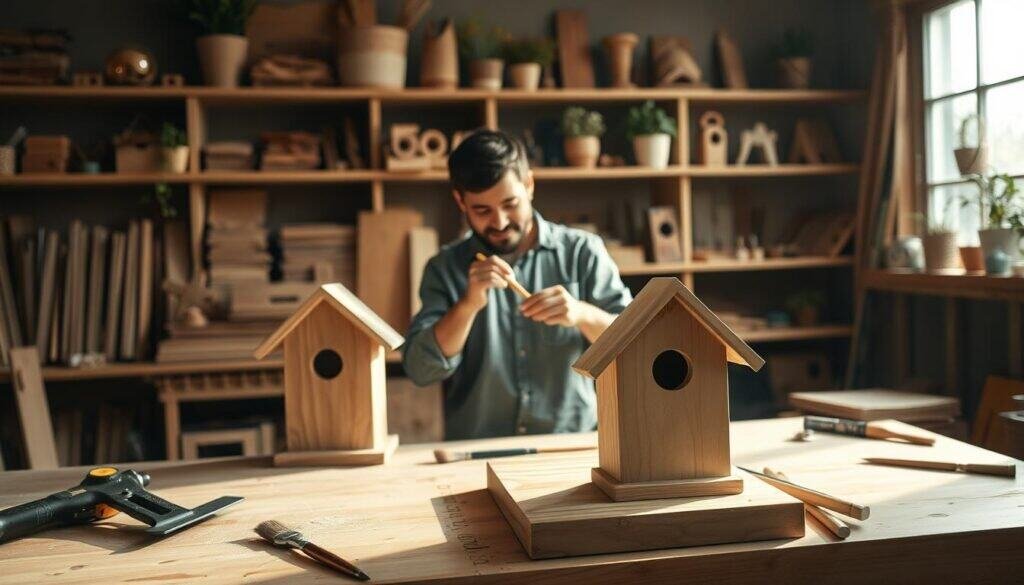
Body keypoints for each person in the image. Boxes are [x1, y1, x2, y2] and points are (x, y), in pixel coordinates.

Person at [402, 129, 632, 440]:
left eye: (510, 204)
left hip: (570, 445)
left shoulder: (582, 252)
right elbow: (421, 370)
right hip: (477, 452)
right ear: (460, 201)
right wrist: (468, 305)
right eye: (482, 210)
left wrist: (582, 314)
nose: (499, 222)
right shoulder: (444, 268)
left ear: (529, 185)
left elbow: (634, 350)